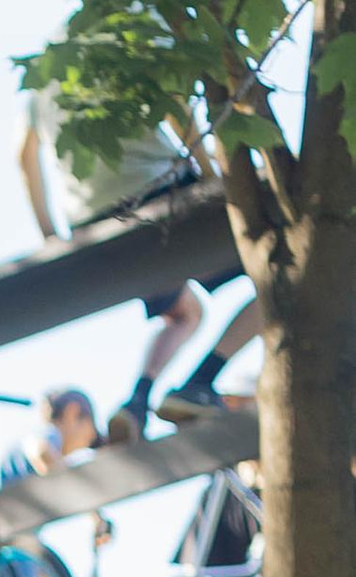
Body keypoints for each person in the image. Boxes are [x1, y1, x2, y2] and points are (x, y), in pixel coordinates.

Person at [18, 89, 255, 438]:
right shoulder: (130, 37)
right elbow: (177, 105)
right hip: (163, 193)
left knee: (185, 314)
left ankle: (137, 401)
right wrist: (209, 173)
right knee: (283, 275)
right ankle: (200, 382)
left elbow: (23, 157)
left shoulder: (40, 80)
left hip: (93, 224)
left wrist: (50, 235)